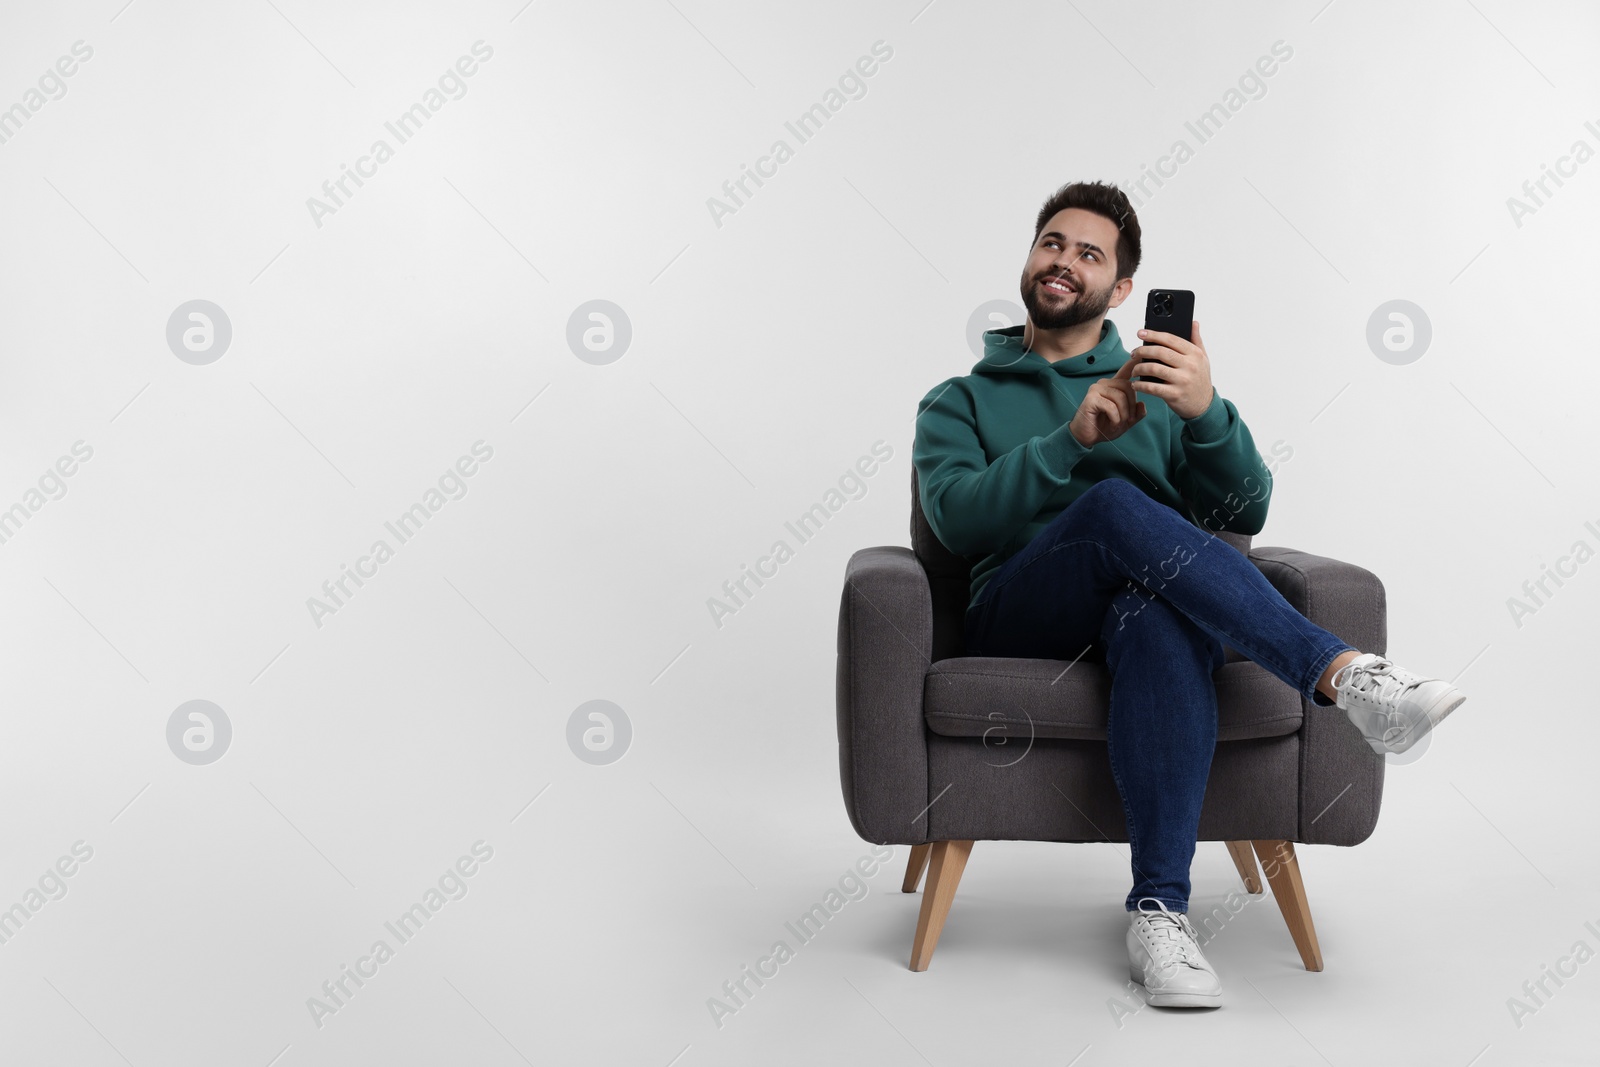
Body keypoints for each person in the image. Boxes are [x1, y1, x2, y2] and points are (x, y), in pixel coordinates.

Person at [909, 180, 1466, 1009]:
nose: (1064, 262)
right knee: (1111, 503)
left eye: (1088, 254)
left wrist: (1207, 413)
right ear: (1030, 259)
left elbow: (1246, 510)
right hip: (1022, 614)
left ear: (1122, 290)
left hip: (1140, 608)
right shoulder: (959, 399)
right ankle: (1344, 676)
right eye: (1052, 243)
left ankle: (1160, 912)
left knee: (1156, 614)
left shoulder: (1161, 388)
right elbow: (954, 521)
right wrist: (1071, 443)